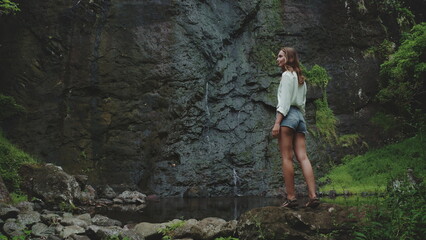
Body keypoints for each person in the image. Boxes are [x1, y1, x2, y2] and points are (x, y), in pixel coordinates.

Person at [271, 47, 320, 208]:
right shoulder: (300, 78)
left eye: (280, 56)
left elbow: (284, 102)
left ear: (288, 58)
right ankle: (313, 196)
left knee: (287, 157)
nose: (277, 59)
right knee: (303, 157)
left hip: (288, 116)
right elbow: (302, 103)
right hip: (300, 117)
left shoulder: (286, 75)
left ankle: (291, 198)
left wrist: (278, 122)